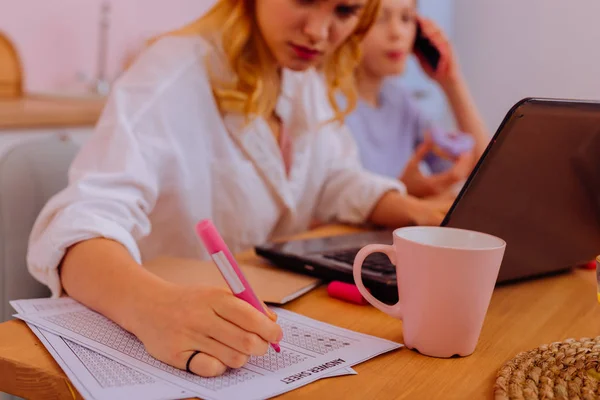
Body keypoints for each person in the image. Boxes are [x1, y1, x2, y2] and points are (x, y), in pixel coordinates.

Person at [26, 0, 451, 378]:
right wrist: (152, 307)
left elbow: (335, 178)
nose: (321, 33)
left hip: (256, 328)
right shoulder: (171, 72)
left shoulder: (301, 76)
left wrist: (420, 213)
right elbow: (79, 227)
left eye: (344, 10)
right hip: (173, 344)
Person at [345, 0, 490, 198]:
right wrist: (403, 192)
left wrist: (451, 82)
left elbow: (487, 171)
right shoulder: (328, 104)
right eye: (379, 18)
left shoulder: (399, 100)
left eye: (407, 18)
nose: (397, 33)